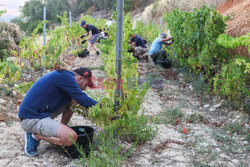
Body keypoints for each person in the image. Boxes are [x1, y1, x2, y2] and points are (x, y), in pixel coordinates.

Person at [18, 68, 99, 156]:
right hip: (30, 119)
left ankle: (62, 128)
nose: (85, 89)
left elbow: (79, 98)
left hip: (40, 113)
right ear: (80, 79)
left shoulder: (65, 77)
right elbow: (83, 99)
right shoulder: (65, 78)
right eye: (86, 85)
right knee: (71, 138)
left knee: (74, 100)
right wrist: (102, 108)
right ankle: (34, 136)